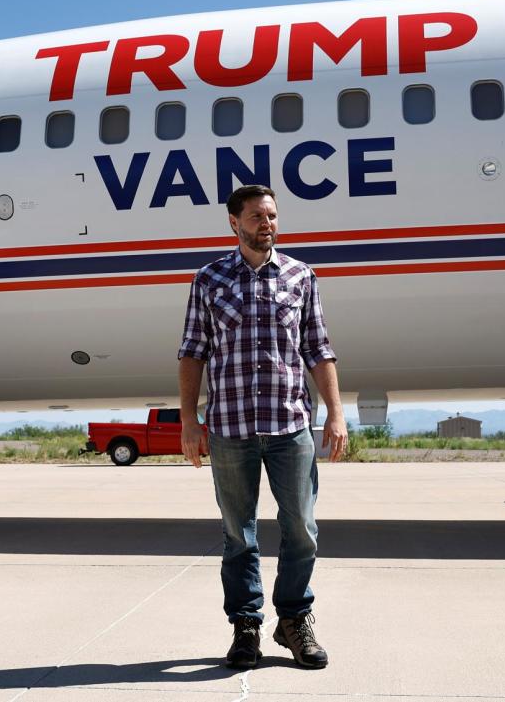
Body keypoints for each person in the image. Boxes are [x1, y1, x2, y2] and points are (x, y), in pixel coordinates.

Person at [178, 184, 348, 670]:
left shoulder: (300, 276)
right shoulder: (208, 280)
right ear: (234, 223)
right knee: (239, 535)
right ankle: (246, 626)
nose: (267, 224)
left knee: (302, 530)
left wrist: (335, 412)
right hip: (230, 429)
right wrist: (189, 419)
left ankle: (294, 619)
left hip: (290, 426)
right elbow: (193, 352)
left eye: (272, 215)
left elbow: (319, 349)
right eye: (256, 216)